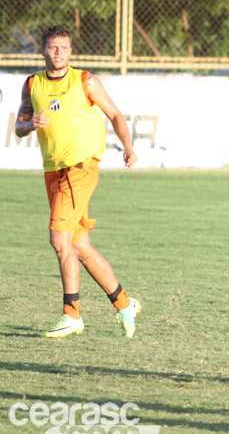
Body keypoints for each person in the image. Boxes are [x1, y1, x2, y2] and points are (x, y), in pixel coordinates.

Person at [15, 25, 142, 339]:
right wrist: (31, 124)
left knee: (60, 240)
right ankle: (125, 304)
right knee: (79, 245)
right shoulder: (32, 84)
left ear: (71, 52)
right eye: (53, 47)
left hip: (81, 167)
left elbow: (114, 115)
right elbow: (19, 127)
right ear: (43, 50)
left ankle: (71, 314)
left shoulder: (85, 81)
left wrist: (127, 145)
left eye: (64, 47)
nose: (58, 52)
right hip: (53, 172)